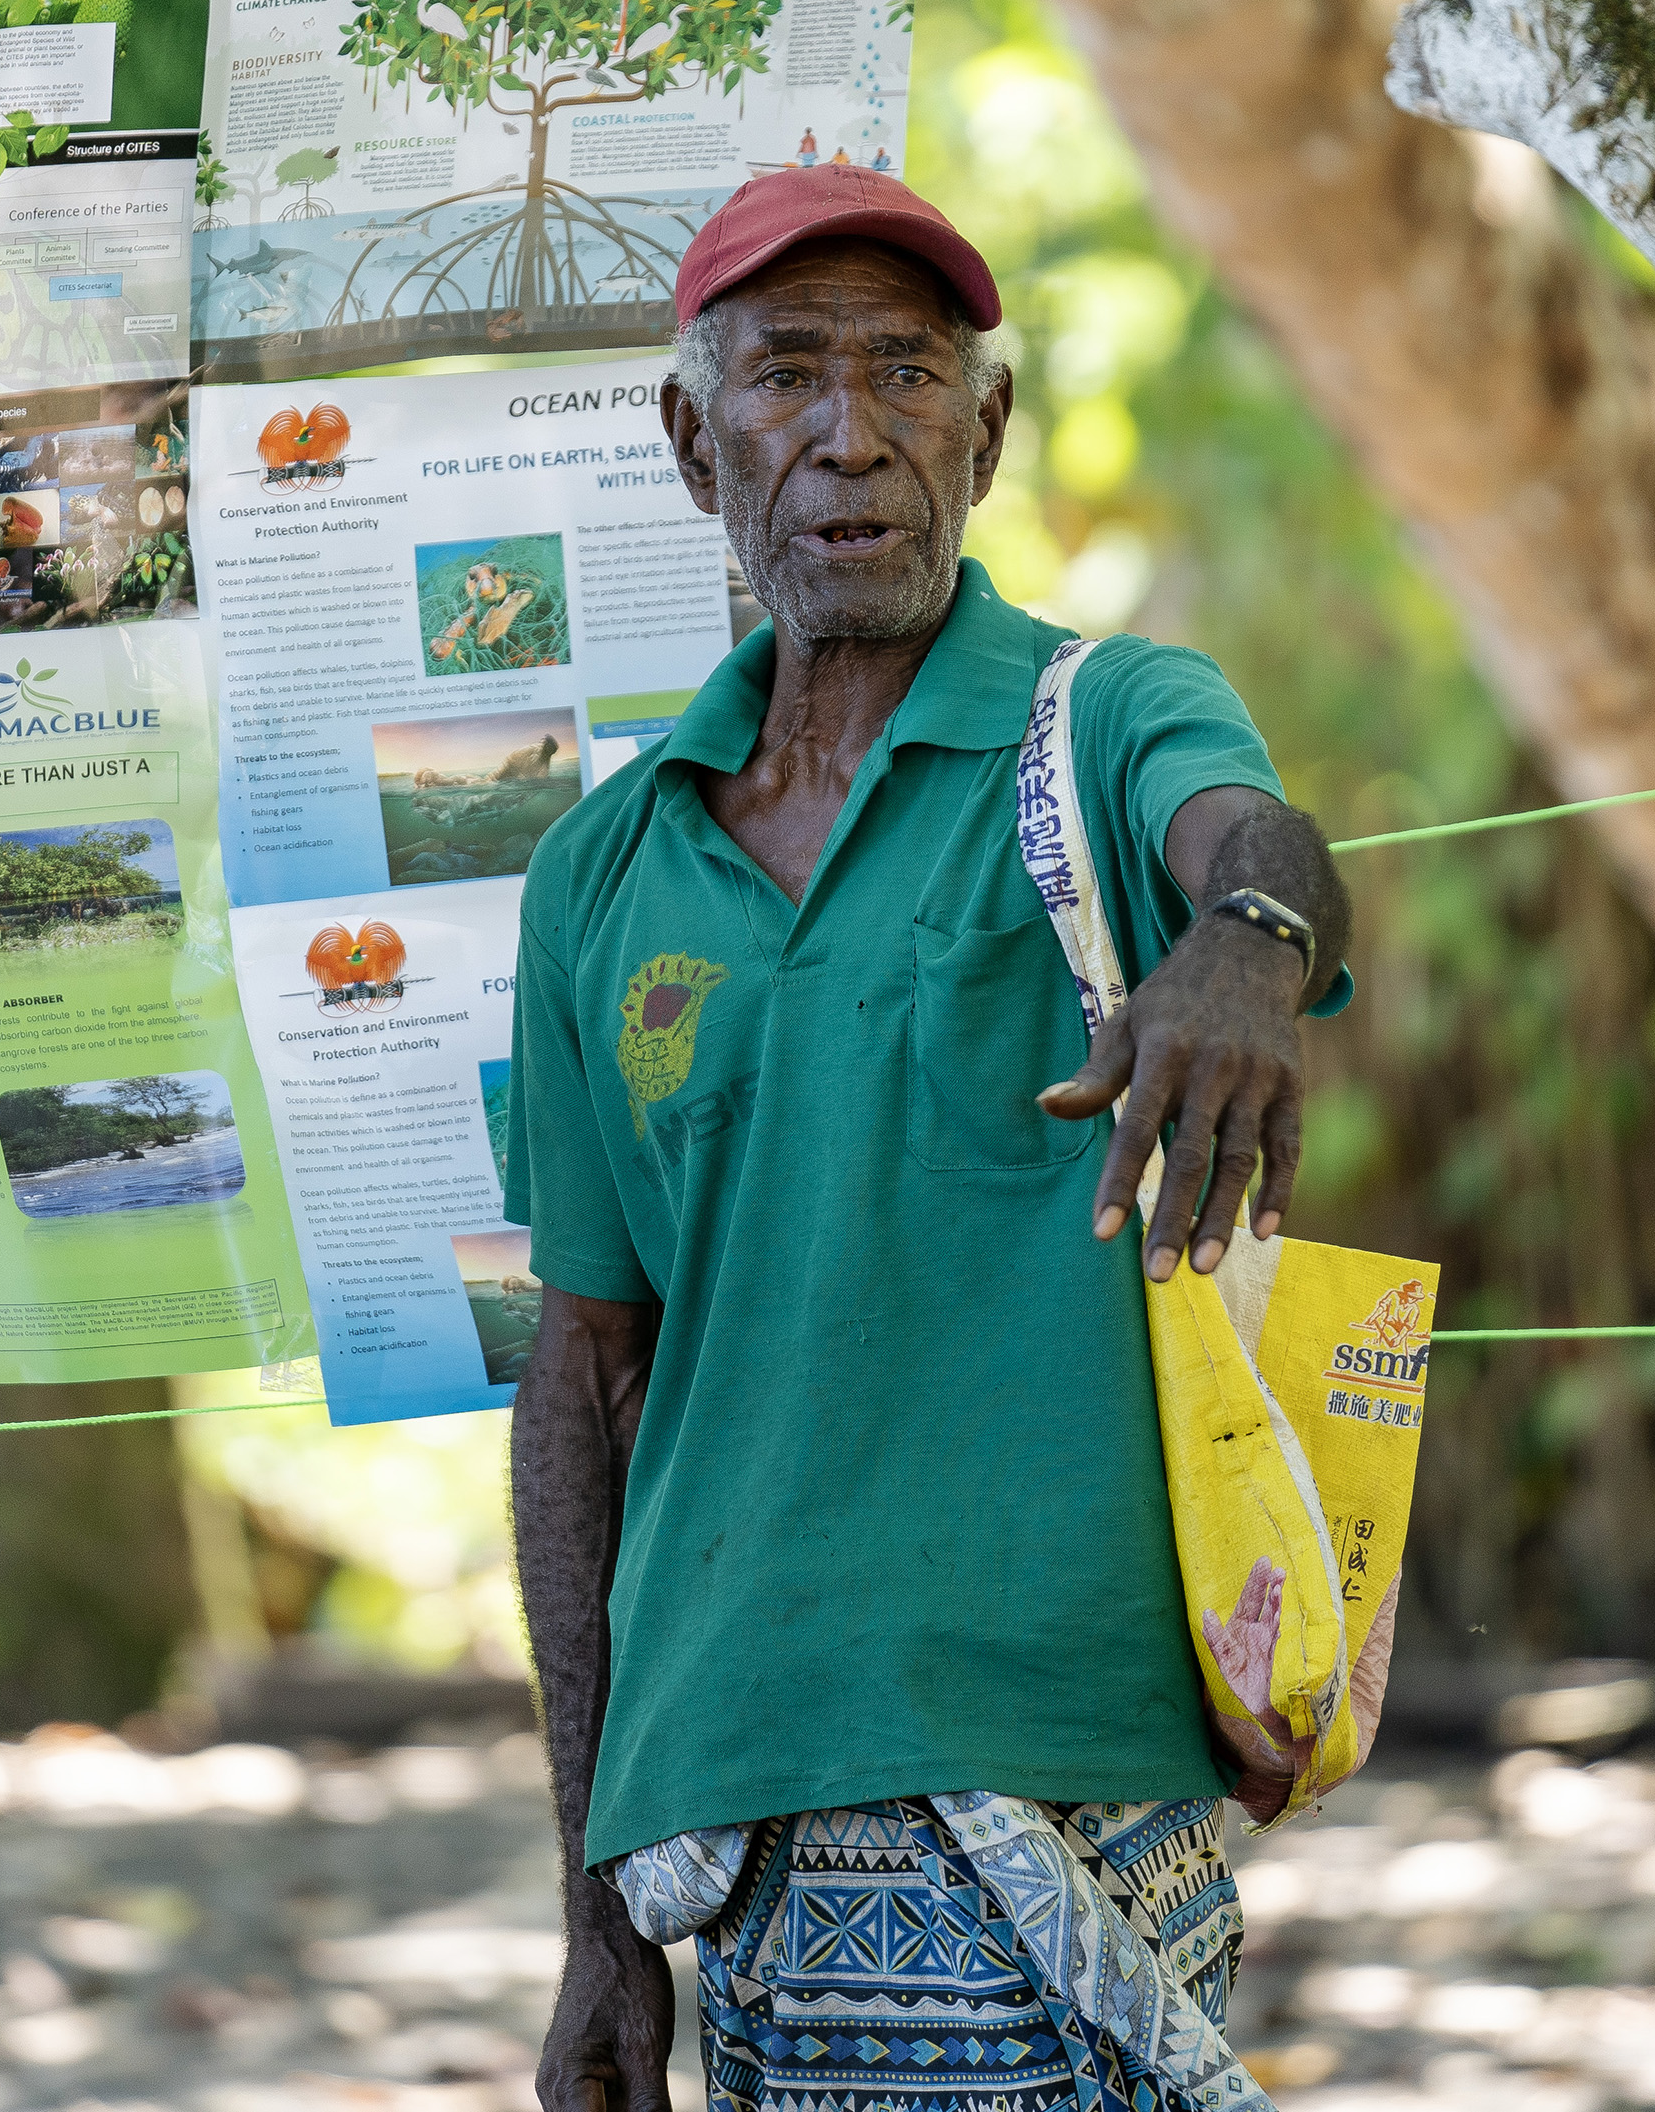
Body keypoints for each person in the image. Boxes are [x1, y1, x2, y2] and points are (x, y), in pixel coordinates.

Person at [503, 161, 1355, 2112]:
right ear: (688, 438)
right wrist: (590, 1918)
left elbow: (1253, 839)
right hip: (742, 1811)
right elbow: (585, 1379)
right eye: (785, 373)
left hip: (1067, 1741)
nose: (847, 432)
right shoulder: (600, 874)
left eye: (904, 372)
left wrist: (1247, 945)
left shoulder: (1103, 716)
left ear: (987, 431)